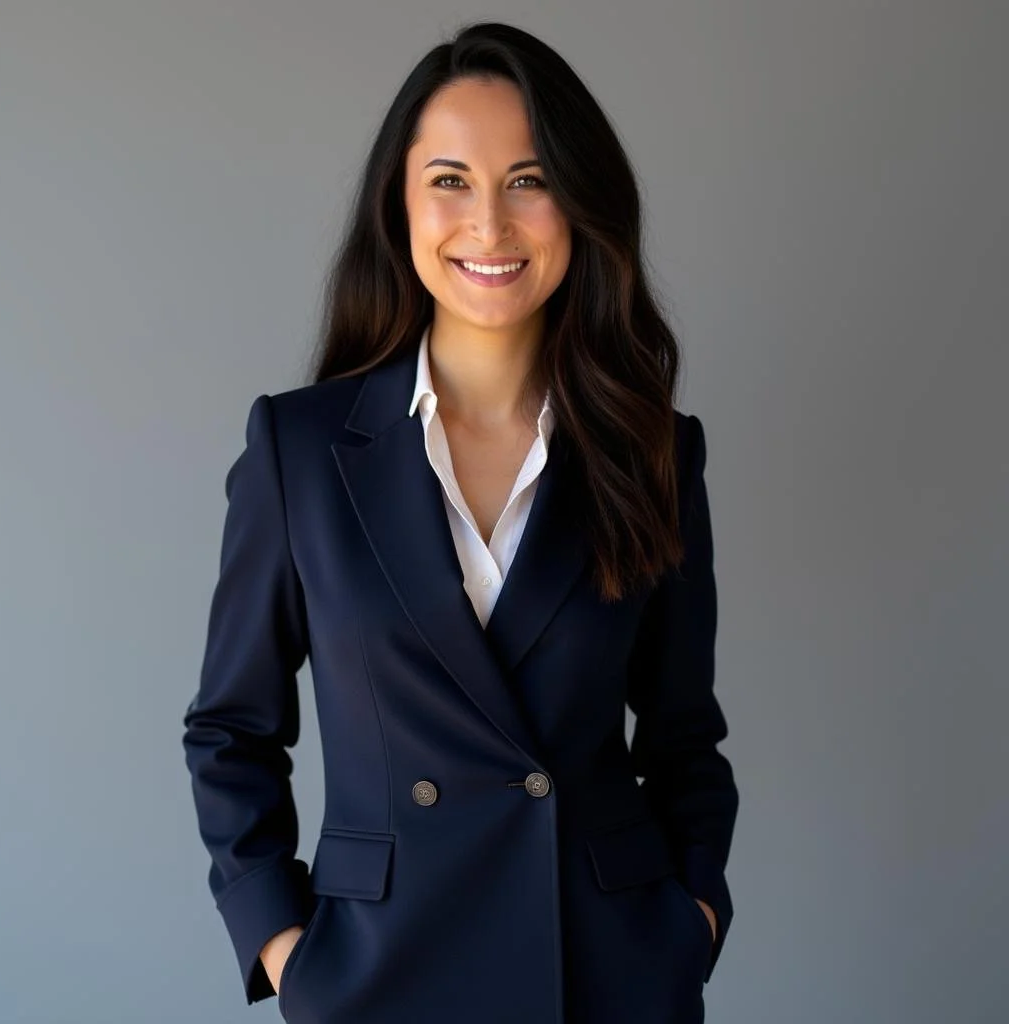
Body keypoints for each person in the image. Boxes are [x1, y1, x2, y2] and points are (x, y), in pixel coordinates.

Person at [181, 20, 739, 1024]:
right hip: (380, 975)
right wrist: (284, 948)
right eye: (450, 180)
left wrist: (689, 921)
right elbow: (230, 729)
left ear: (580, 203)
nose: (489, 222)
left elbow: (683, 735)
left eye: (529, 180)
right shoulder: (300, 450)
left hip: (603, 976)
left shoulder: (652, 449)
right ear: (398, 203)